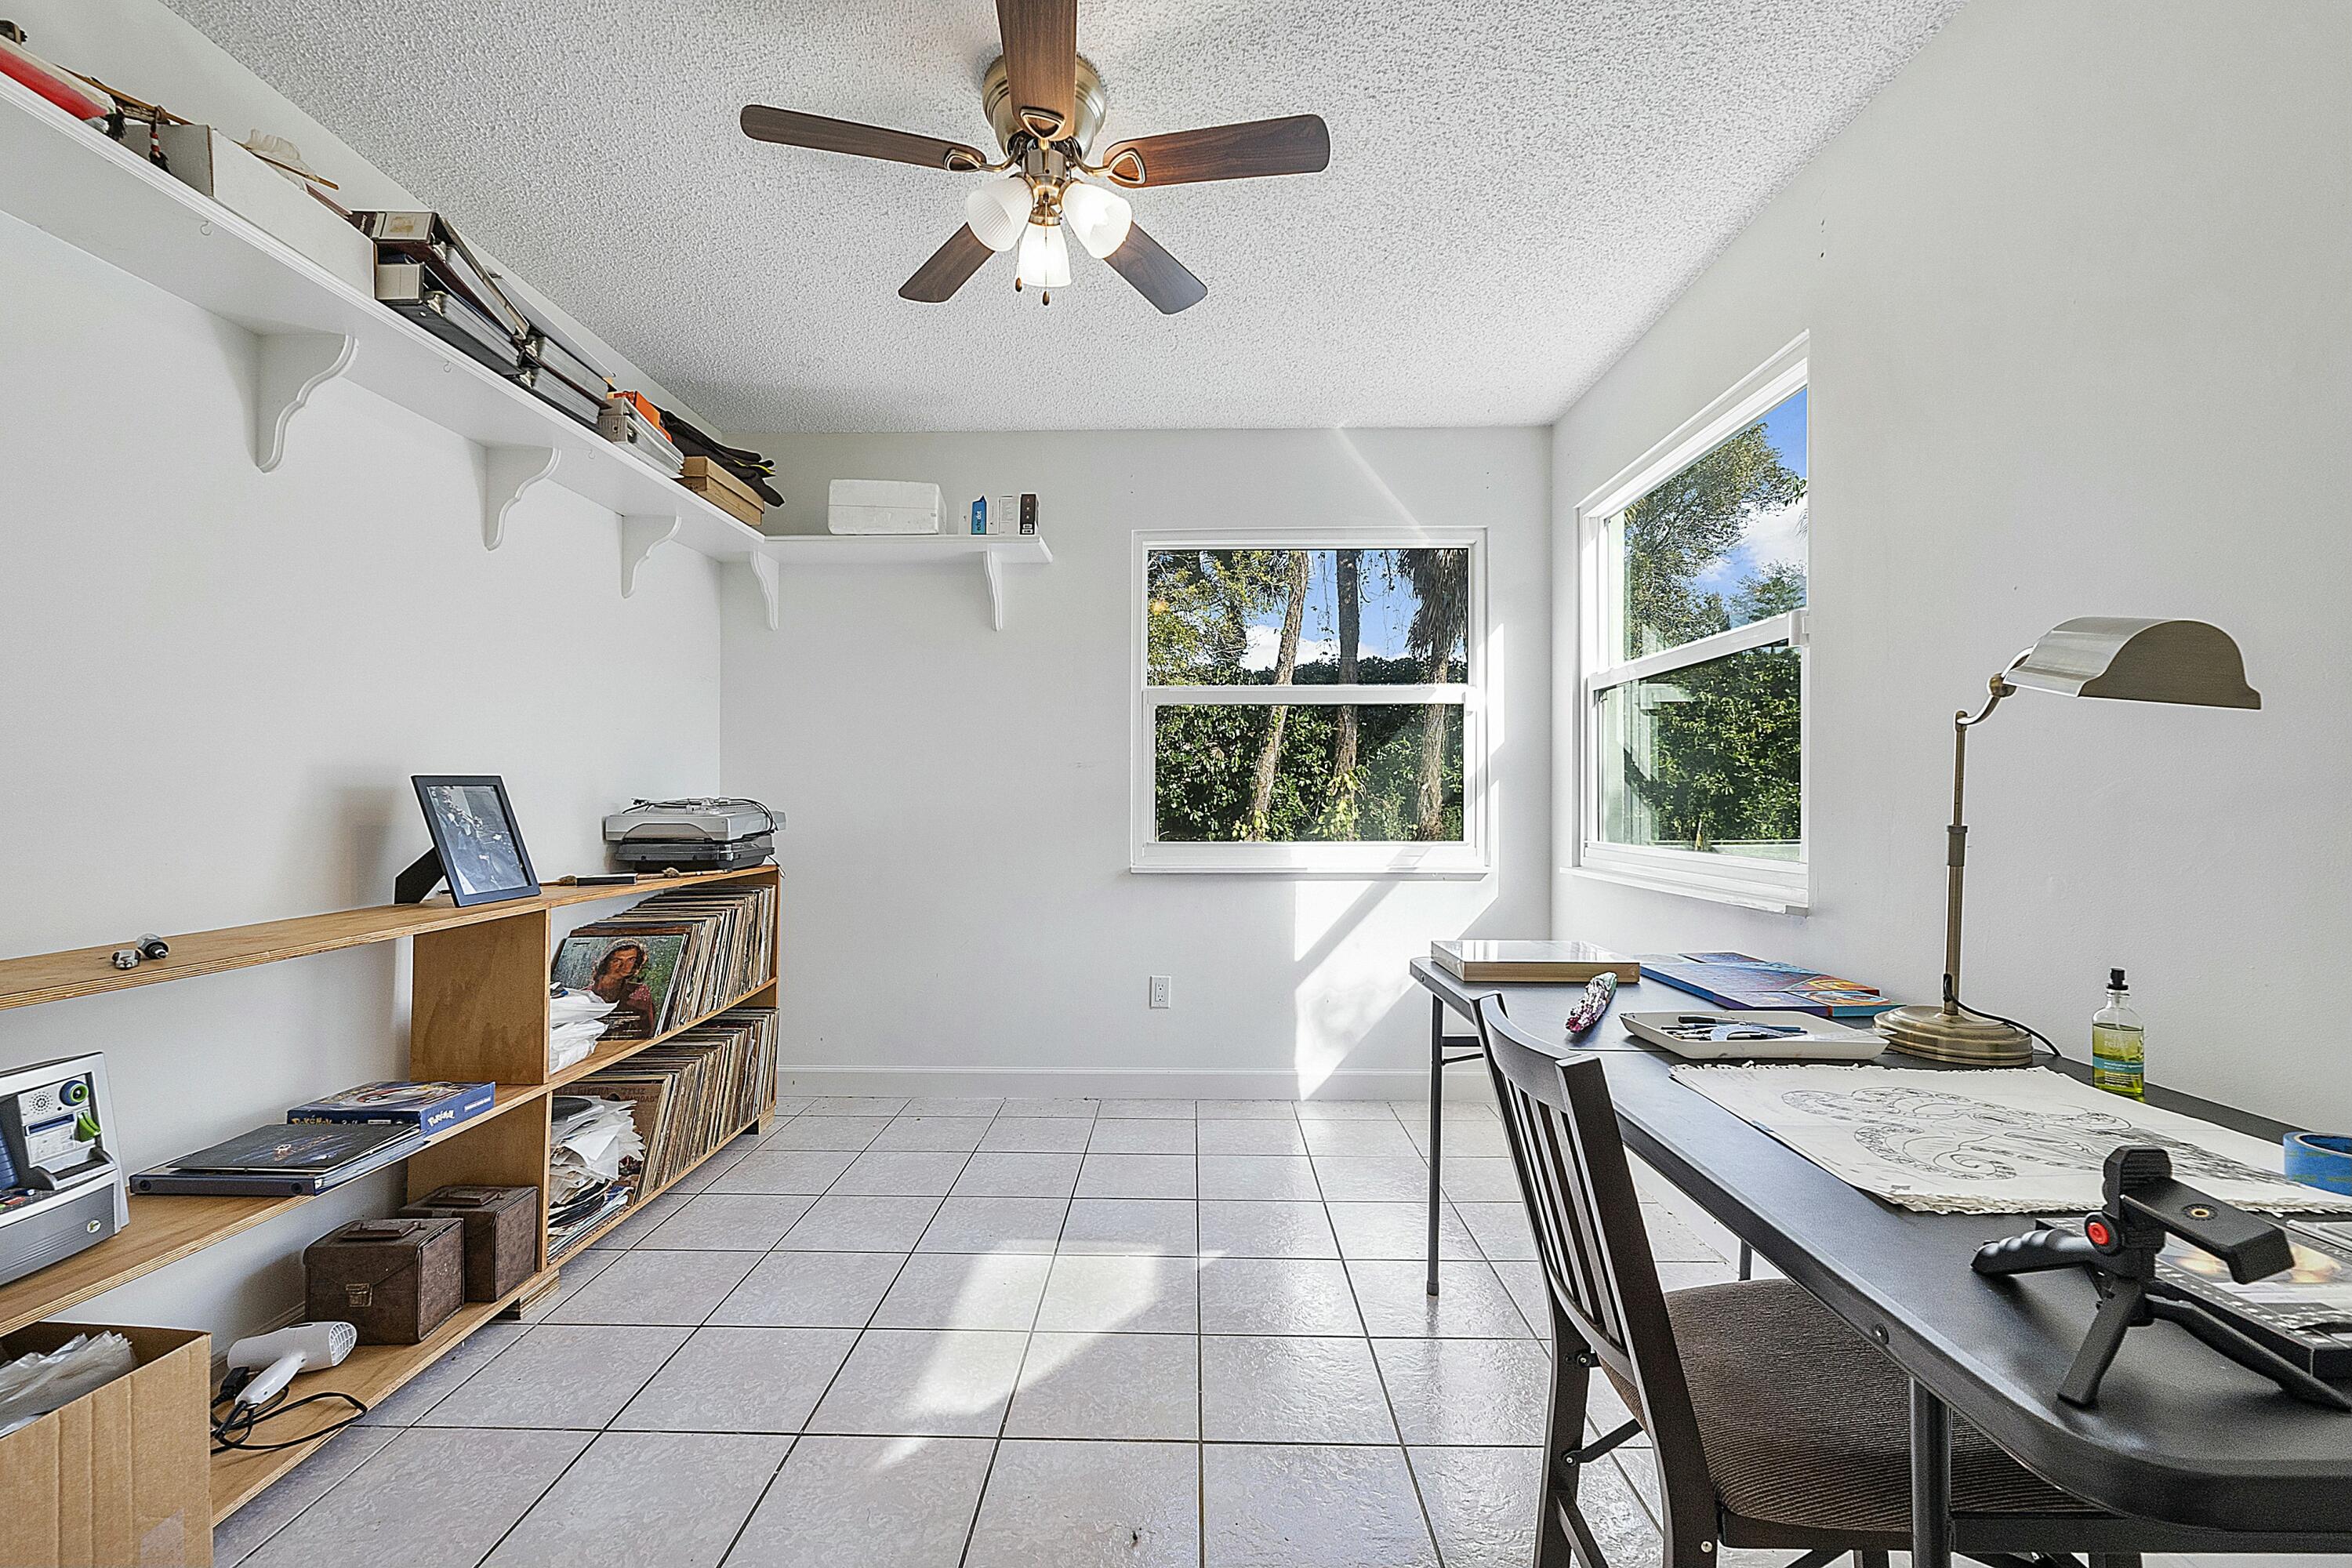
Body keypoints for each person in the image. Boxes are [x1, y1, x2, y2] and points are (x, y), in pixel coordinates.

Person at [589, 942, 659, 1038]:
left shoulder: (639, 992)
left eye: (631, 960)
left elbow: (646, 1030)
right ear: (606, 962)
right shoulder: (584, 995)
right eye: (617, 960)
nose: (624, 966)